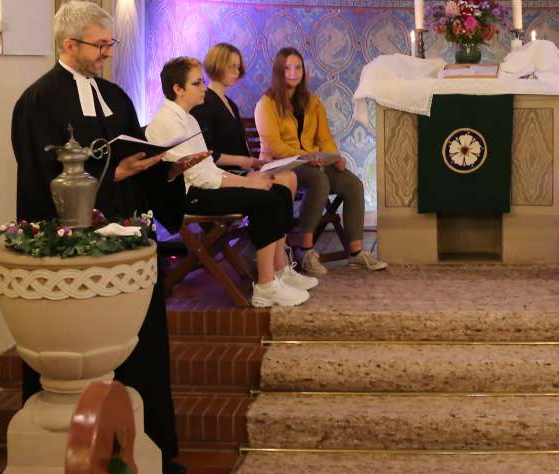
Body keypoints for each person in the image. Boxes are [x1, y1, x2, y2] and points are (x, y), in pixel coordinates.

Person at [10, 0, 185, 474]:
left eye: (111, 43)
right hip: (78, 250)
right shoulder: (38, 101)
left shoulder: (115, 95)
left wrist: (165, 171)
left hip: (124, 240)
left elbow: (133, 155)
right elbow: (43, 180)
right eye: (100, 44)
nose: (108, 52)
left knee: (142, 342)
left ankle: (151, 446)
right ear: (69, 44)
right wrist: (113, 176)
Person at [147, 55, 316, 308]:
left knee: (279, 191)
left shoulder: (189, 118)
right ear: (178, 89)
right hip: (186, 197)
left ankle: (280, 271)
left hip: (202, 186)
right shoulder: (168, 123)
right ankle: (266, 286)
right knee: (267, 200)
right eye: (197, 83)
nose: (203, 88)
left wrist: (248, 180)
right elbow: (199, 178)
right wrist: (247, 184)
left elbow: (208, 169)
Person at [254, 46, 388, 275]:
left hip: (313, 161)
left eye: (298, 68)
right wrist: (304, 157)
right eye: (287, 68)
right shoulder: (266, 103)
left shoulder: (312, 102)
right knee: (318, 180)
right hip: (282, 165)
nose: (294, 73)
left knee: (352, 183)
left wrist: (334, 157)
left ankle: (355, 252)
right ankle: (304, 250)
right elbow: (273, 144)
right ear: (279, 71)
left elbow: (324, 137)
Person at [192, 42, 264, 173]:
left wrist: (254, 162)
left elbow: (238, 149)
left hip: (239, 171)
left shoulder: (231, 104)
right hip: (219, 175)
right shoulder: (203, 103)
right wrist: (242, 161)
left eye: (238, 67)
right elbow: (206, 153)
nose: (237, 72)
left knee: (287, 177)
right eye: (231, 67)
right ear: (217, 65)